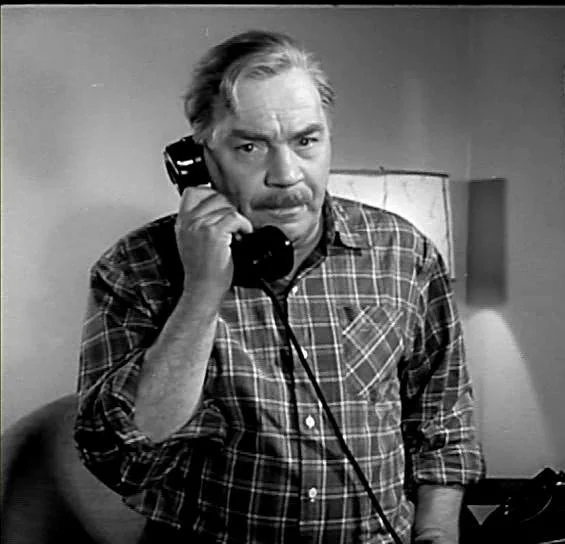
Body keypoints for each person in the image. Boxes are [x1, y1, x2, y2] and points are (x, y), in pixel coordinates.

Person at [74, 29, 484, 544]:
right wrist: (201, 293)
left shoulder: (403, 251)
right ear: (198, 159)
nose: (287, 175)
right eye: (250, 146)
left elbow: (443, 411)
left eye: (306, 141)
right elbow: (123, 459)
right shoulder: (134, 267)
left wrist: (437, 529)